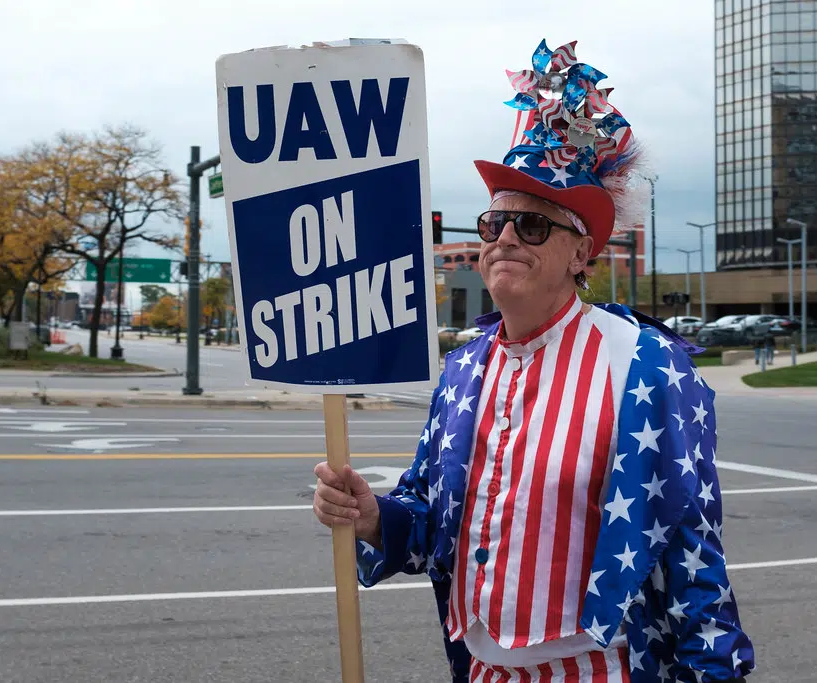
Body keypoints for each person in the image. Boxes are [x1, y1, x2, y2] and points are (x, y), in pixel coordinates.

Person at [314, 39, 754, 683]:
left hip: (597, 669)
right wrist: (374, 515)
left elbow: (690, 546)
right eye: (495, 224)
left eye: (535, 225)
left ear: (581, 254)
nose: (506, 239)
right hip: (481, 669)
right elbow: (435, 519)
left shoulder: (643, 364)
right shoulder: (465, 370)